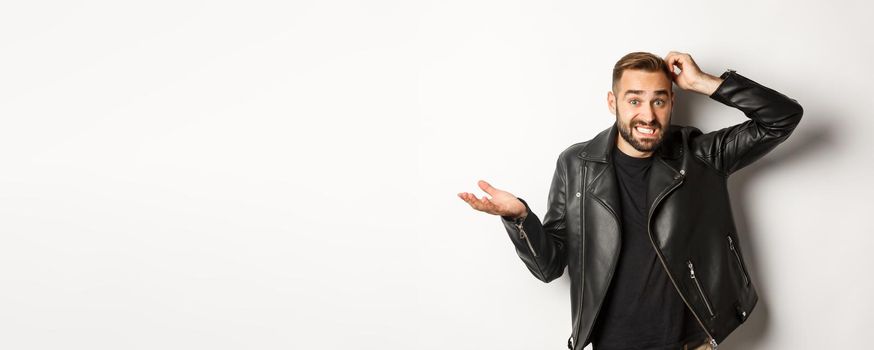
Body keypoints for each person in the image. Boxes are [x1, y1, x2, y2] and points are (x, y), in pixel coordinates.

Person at [458, 51, 803, 350]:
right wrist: (521, 218)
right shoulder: (576, 165)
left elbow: (781, 118)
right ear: (613, 103)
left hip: (689, 339)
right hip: (610, 342)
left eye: (659, 100)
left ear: (672, 102)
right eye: (634, 100)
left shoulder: (700, 155)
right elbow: (549, 267)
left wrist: (702, 82)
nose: (648, 116)